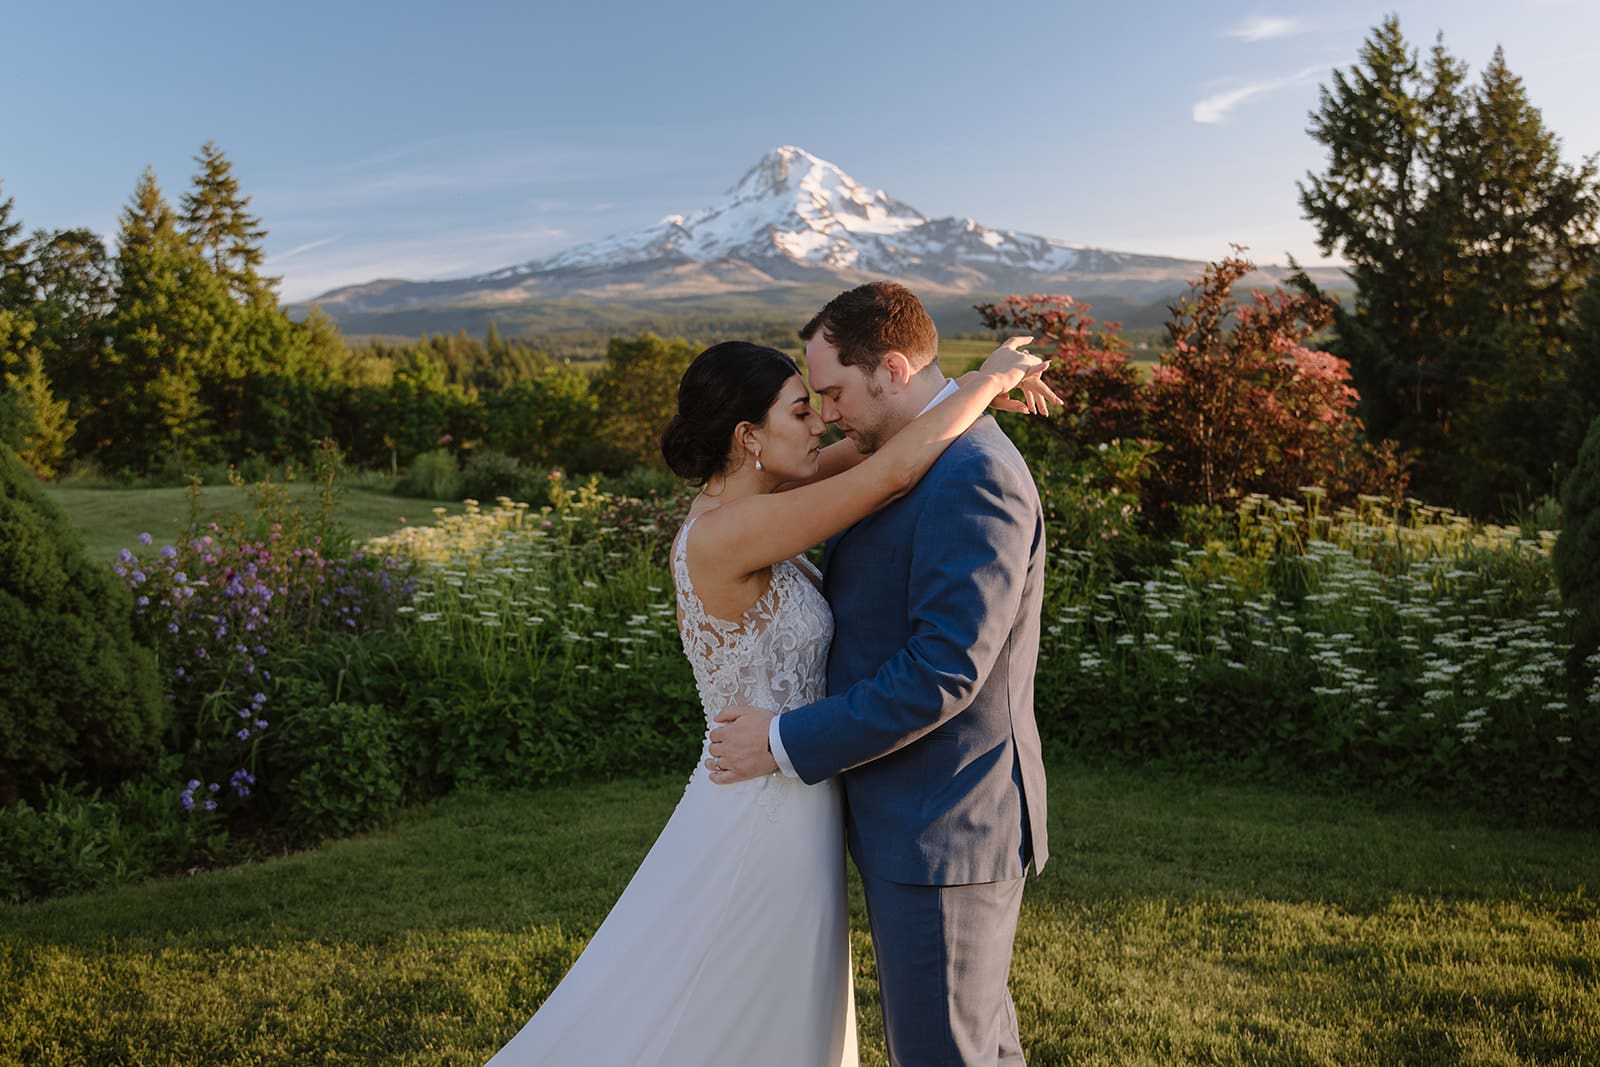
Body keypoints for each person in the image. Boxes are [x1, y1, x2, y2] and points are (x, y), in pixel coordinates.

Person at [485, 328, 1053, 1066]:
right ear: (749, 436)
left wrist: (968, 388)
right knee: (735, 1004)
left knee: (775, 1008)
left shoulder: (776, 491)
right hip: (762, 802)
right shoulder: (729, 530)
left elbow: (891, 442)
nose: (820, 422)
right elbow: (892, 472)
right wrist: (989, 378)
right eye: (799, 410)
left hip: (799, 793)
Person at [708, 282, 1052, 1066]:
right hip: (912, 814)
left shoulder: (972, 475)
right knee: (974, 1045)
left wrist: (783, 738)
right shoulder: (907, 455)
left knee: (946, 1052)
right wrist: (983, 378)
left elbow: (941, 670)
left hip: (946, 822)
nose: (826, 414)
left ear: (893, 370)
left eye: (831, 392)